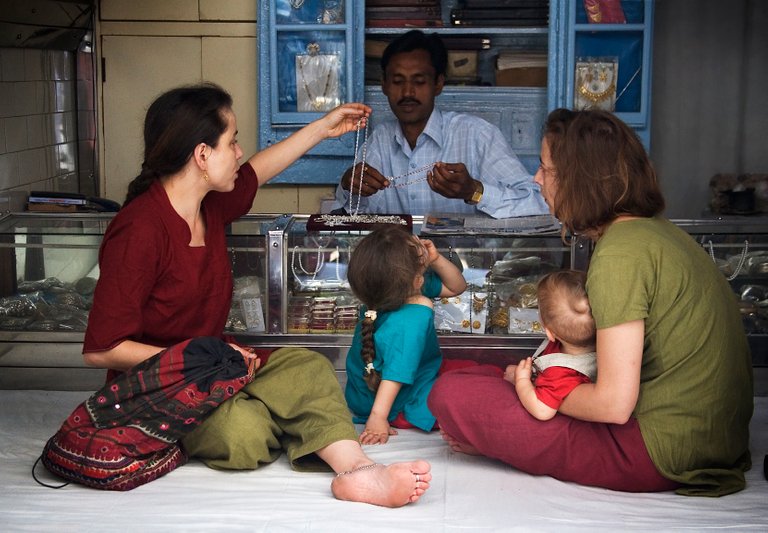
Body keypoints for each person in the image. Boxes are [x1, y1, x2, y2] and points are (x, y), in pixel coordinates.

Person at [82, 82, 432, 507]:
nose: (240, 152)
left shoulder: (210, 204)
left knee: (307, 368)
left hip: (219, 369)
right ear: (202, 154)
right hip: (162, 387)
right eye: (232, 142)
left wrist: (323, 128)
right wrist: (205, 358)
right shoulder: (139, 230)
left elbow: (259, 171)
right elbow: (103, 349)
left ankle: (358, 472)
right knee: (245, 436)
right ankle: (292, 421)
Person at [428, 108, 754, 496]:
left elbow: (614, 405)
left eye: (546, 169)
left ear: (578, 180)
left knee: (451, 394)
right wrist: (527, 383)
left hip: (657, 451)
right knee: (484, 376)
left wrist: (535, 393)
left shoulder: (621, 253)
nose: (536, 179)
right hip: (710, 440)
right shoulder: (658, 233)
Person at [332, 29, 548, 218]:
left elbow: (539, 202)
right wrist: (348, 185)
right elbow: (352, 212)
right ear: (384, 85)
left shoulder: (477, 135)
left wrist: (474, 191)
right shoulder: (380, 140)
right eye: (398, 82)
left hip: (465, 265)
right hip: (398, 265)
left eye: (419, 82)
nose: (407, 92)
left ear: (438, 84)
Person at [344, 225, 466, 445]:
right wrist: (378, 418)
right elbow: (396, 373)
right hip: (394, 402)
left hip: (362, 392)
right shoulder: (415, 312)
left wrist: (436, 259)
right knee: (471, 389)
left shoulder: (387, 290)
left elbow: (457, 286)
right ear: (417, 280)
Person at [504, 270, 597, 421]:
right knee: (509, 370)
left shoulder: (561, 374)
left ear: (549, 333)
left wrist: (522, 382)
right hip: (544, 380)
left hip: (556, 417)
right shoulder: (587, 343)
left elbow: (542, 411)